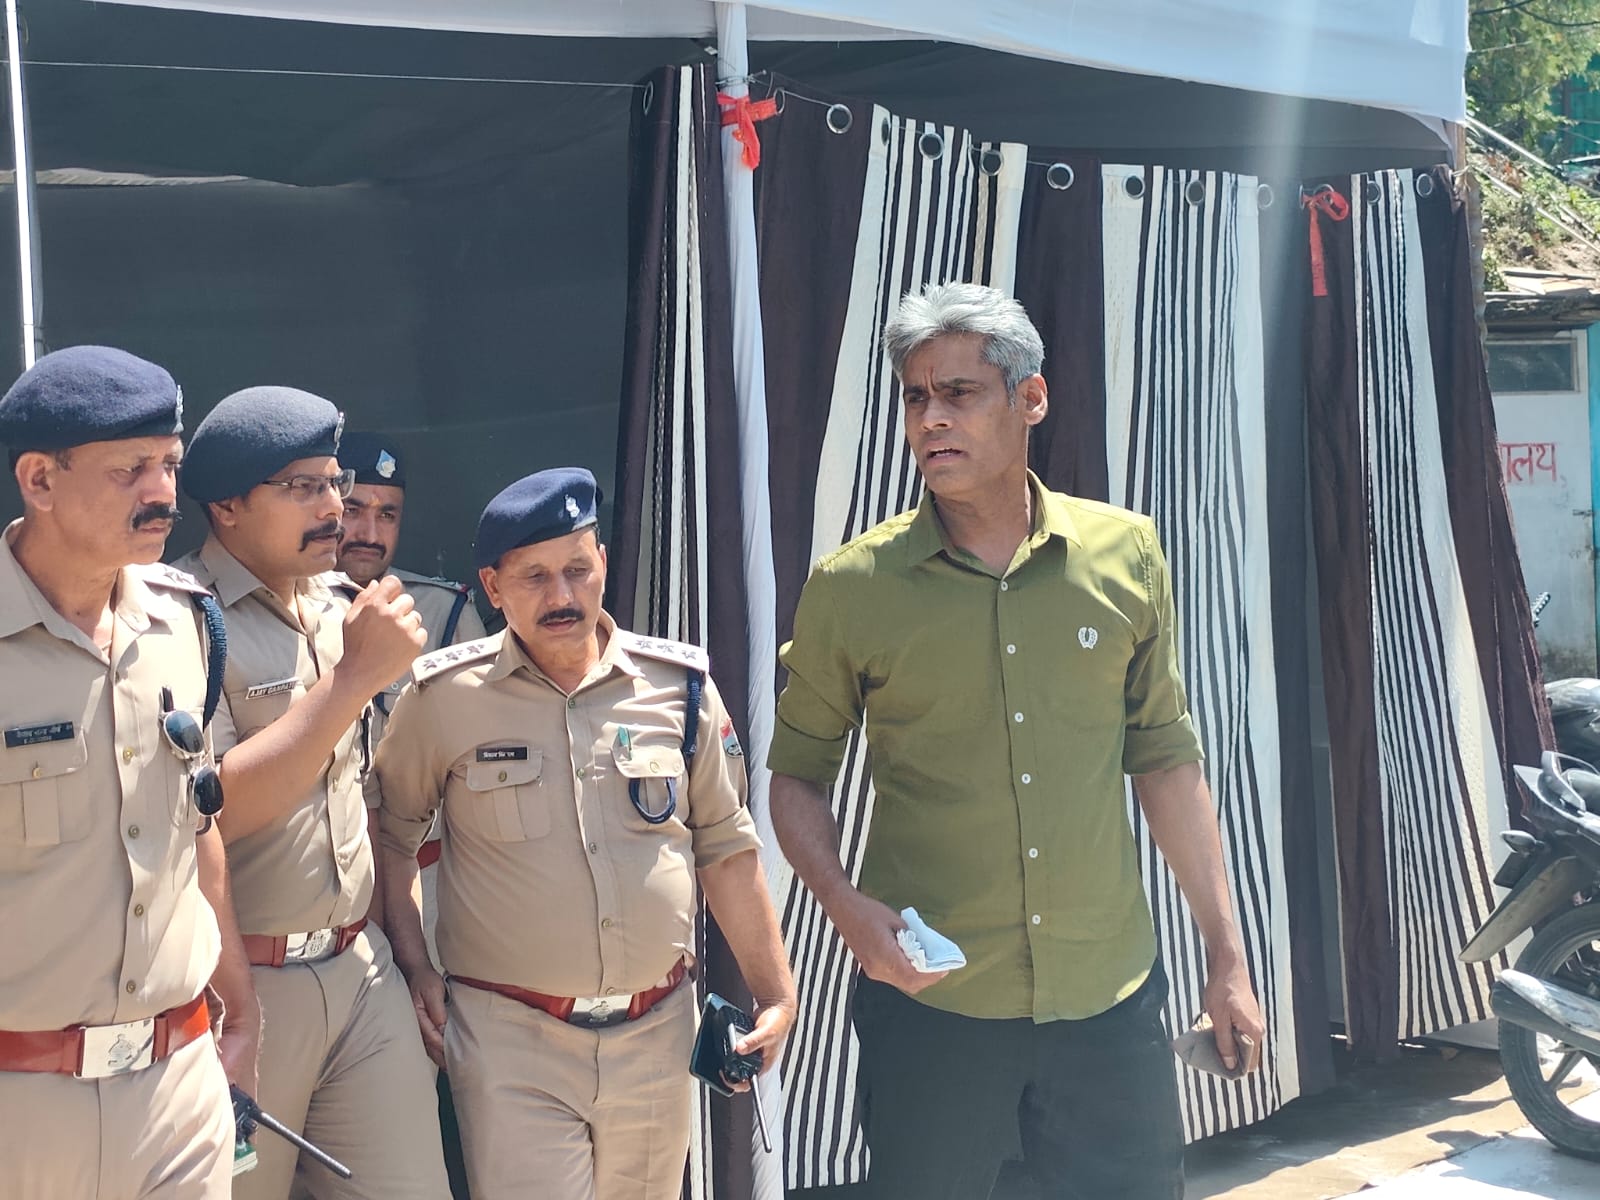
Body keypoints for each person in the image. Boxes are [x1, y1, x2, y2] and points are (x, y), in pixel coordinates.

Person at [767, 283, 1267, 1200]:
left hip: (1107, 1000)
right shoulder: (853, 587)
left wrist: (1226, 958)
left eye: (959, 392)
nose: (931, 419)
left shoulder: (1125, 555)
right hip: (936, 1008)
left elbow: (1165, 759)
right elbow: (796, 778)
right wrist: (844, 908)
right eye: (915, 398)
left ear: (1030, 398)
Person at [373, 467, 797, 1200]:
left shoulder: (680, 687)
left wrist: (776, 992)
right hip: (512, 1039)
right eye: (534, 577)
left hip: (656, 1033)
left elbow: (726, 849)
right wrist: (414, 968)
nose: (562, 596)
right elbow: (391, 836)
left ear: (603, 562)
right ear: (493, 587)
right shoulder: (443, 697)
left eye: (577, 569)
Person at [174, 386, 449, 1199]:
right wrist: (351, 682)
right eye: (304, 487)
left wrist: (409, 956)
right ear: (227, 505)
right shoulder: (179, 619)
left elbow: (370, 804)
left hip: (361, 972)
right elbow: (208, 812)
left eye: (336, 482)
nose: (334, 508)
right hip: (244, 988)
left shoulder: (340, 609)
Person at [0, 346, 259, 1197]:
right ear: (40, 480)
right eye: (130, 470)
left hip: (176, 1083)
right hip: (20, 1102)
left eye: (170, 465)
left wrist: (241, 1009)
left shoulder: (187, 625)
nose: (163, 493)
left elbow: (197, 829)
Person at [331, 431, 485, 1196]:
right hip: (319, 904)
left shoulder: (445, 615)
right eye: (354, 509)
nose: (368, 530)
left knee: (448, 1101)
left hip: (427, 898)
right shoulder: (275, 612)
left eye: (386, 514)